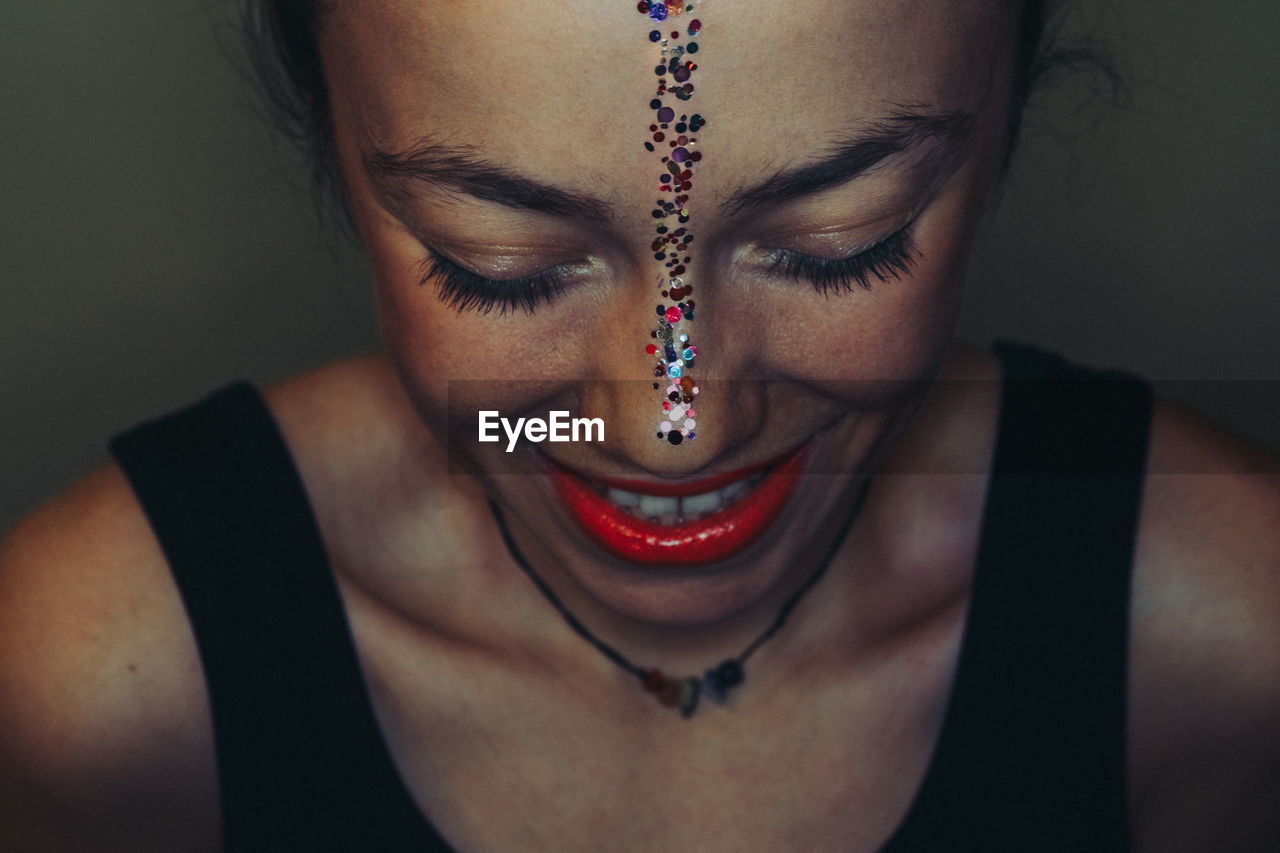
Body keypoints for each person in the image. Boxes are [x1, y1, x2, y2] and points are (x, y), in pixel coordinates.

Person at [1, 0, 1278, 850]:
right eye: (495, 262)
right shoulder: (106, 685)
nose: (676, 427)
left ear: (1001, 136)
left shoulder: (1221, 639)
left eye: (841, 247)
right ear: (338, 157)